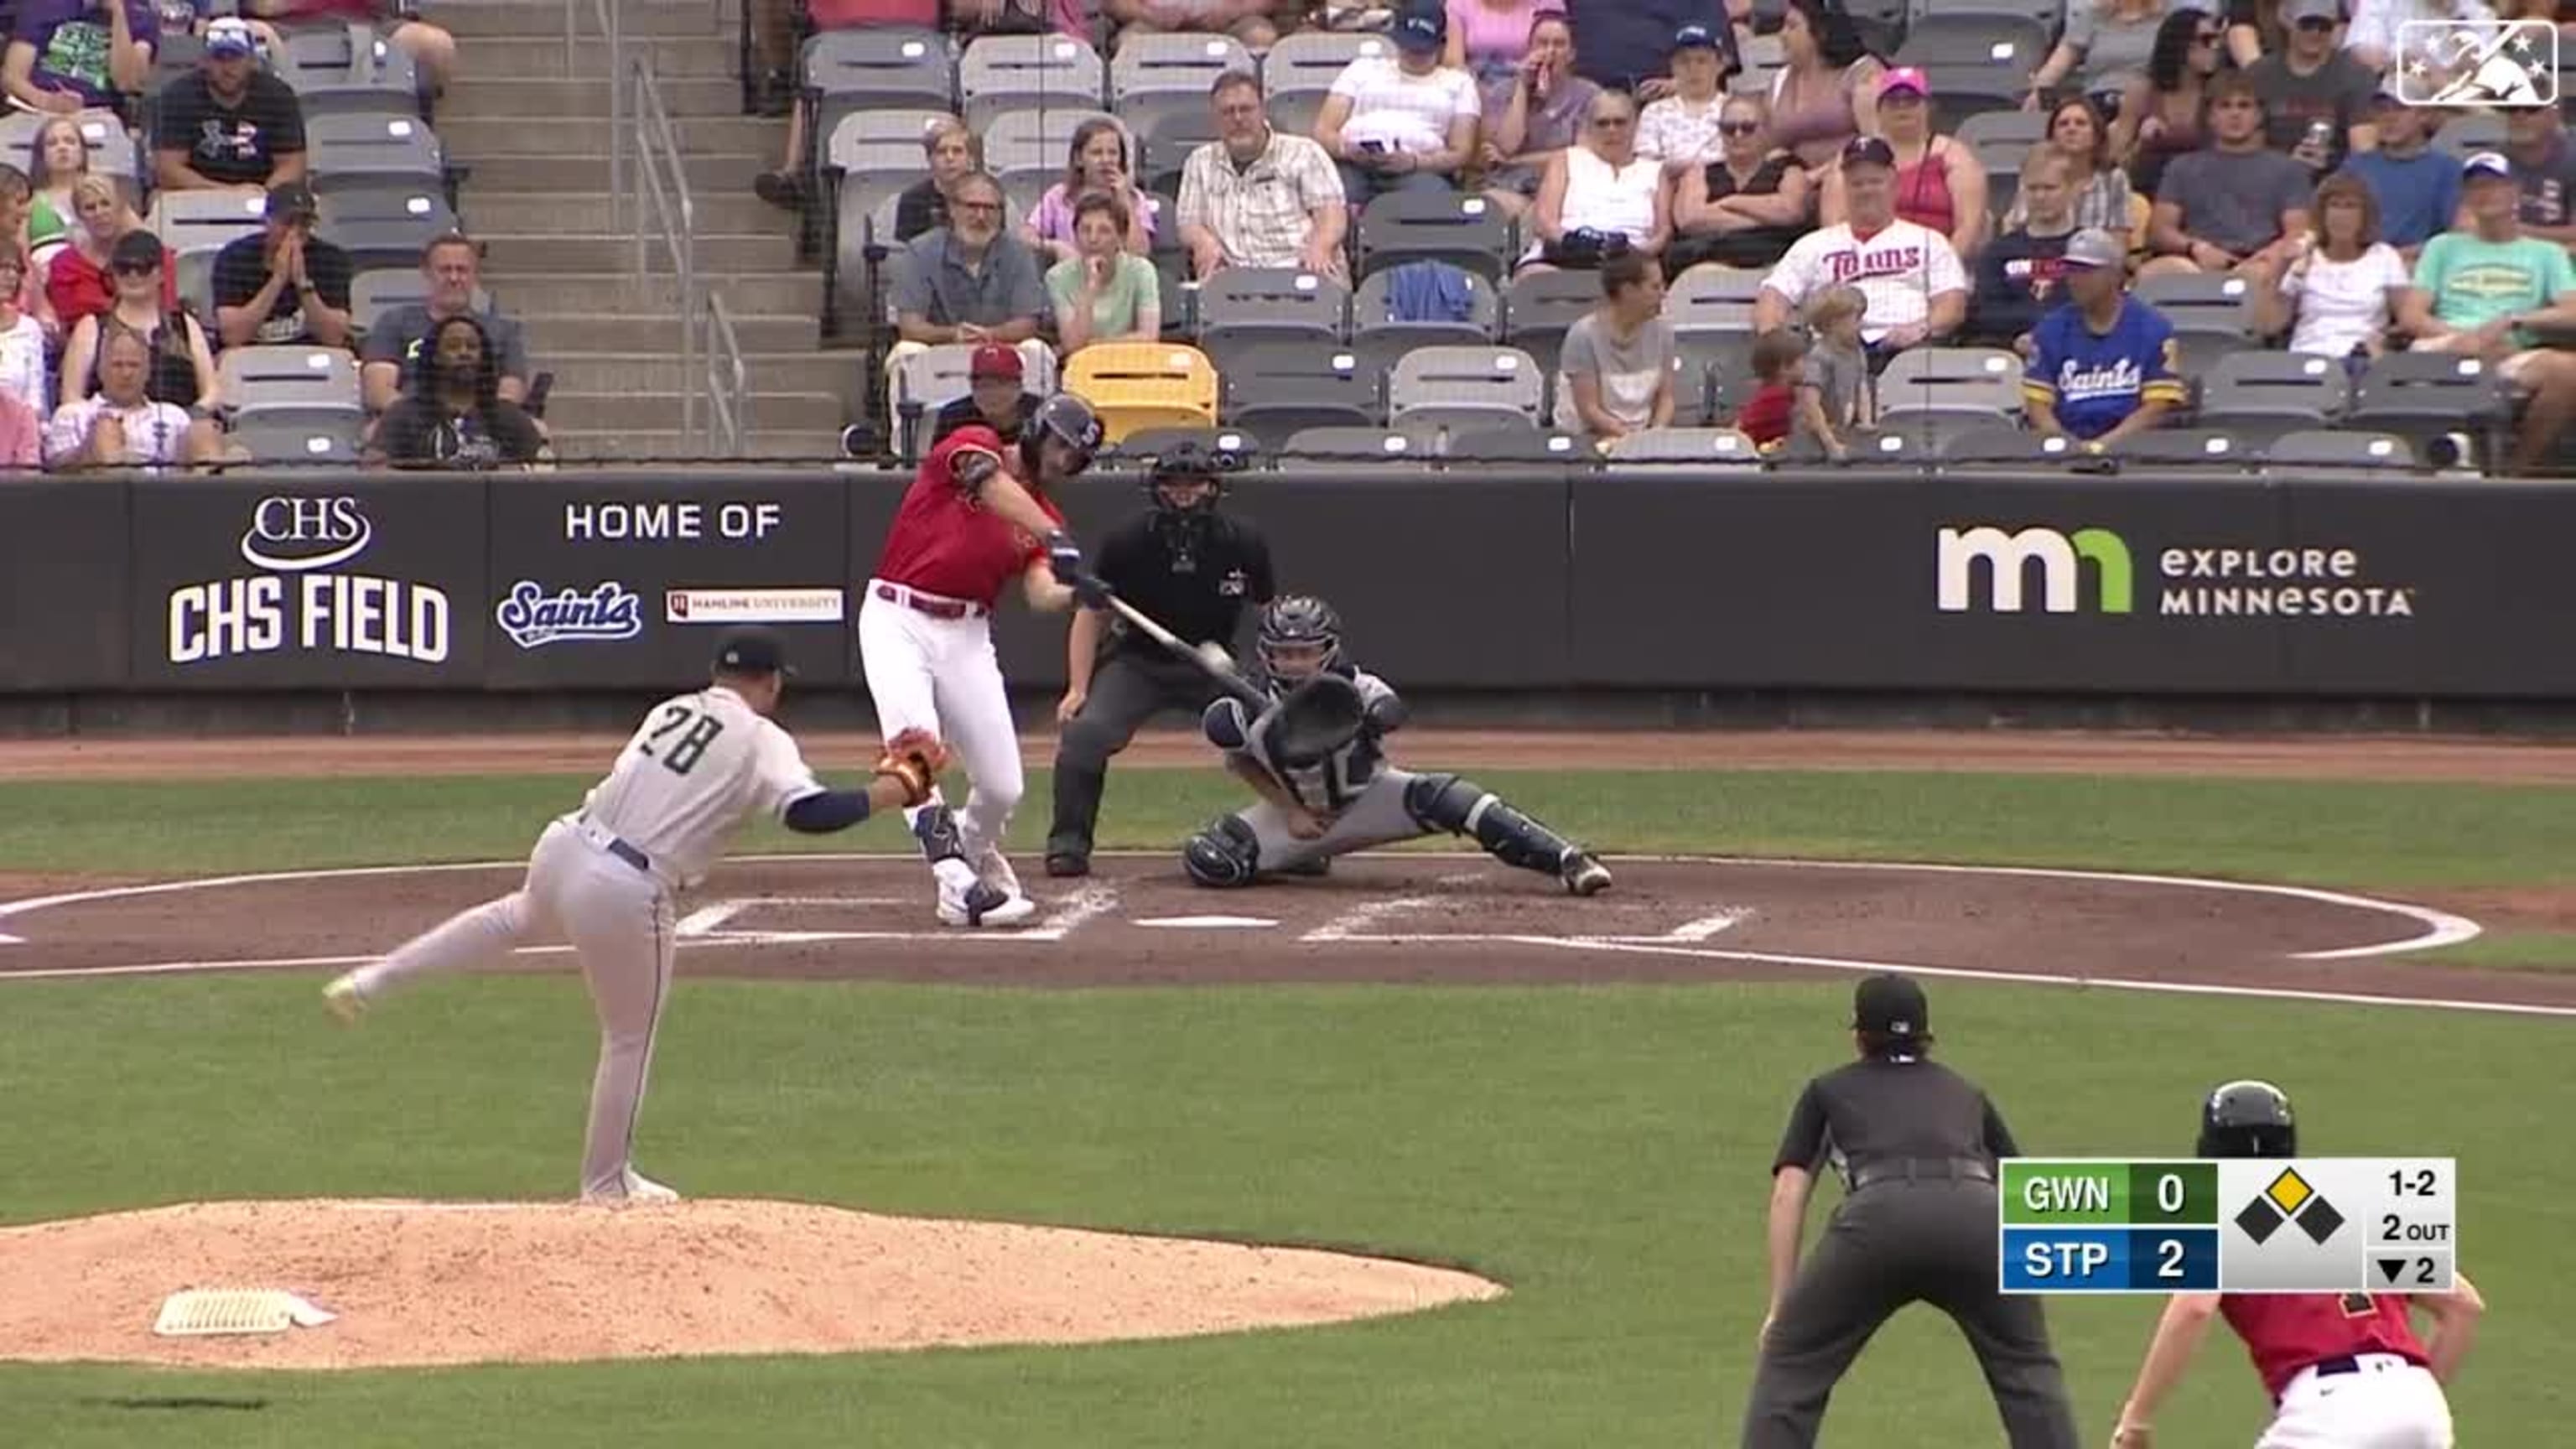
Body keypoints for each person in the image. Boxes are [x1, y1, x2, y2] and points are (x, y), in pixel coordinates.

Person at [319, 629, 948, 1205]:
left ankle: (370, 981)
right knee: (628, 1038)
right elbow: (808, 814)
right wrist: (896, 789)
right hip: (625, 886)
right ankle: (606, 1183)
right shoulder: (763, 739)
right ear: (772, 683)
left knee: (509, 919)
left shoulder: (670, 709)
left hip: (565, 844)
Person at [1737, 973, 2081, 1449]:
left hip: (1877, 1225)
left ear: (1858, 1035)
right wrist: (2025, 1299)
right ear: (1926, 1036)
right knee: (2028, 1371)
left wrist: (1781, 1305)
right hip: (1980, 1222)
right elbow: (2025, 1189)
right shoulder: (1966, 1092)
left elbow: (1788, 1193)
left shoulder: (1827, 1091)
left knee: (1791, 1361)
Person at [2107, 1080, 2485, 1449]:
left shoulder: (2229, 1215)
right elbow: (2464, 1305)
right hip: (2420, 1404)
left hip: (2330, 1410)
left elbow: (2194, 1307)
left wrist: (2136, 1418)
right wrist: (2404, 1404)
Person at [860, 392, 1109, 927]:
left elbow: (1040, 590)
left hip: (968, 634)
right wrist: (1054, 536)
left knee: (1002, 787)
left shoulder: (1046, 517)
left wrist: (1080, 594)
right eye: (1062, 446)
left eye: (1075, 457)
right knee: (914, 753)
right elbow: (987, 481)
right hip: (896, 617)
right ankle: (957, 884)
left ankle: (968, 856)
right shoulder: (973, 443)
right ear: (1039, 432)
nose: (1064, 461)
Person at [1181, 595, 1614, 894]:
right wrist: (1291, 810)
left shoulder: (1354, 686)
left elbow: (1391, 711)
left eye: (1306, 652)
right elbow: (1241, 762)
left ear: (1327, 652)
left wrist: (1350, 716)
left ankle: (1568, 861)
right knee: (1212, 861)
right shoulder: (1247, 708)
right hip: (1299, 815)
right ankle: (1304, 857)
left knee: (1457, 798)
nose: (1296, 662)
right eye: (1286, 653)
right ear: (1268, 654)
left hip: (1369, 797)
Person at [1046, 443, 1277, 877]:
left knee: (1270, 729)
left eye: (1195, 484)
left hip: (1213, 665)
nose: (1185, 493)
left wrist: (1269, 676)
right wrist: (1077, 688)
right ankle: (1068, 844)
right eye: (1174, 484)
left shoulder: (1244, 541)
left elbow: (1268, 613)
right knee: (1086, 736)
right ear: (1158, 489)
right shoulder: (1127, 540)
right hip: (1138, 661)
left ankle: (1296, 840)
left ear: (1214, 487)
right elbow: (1091, 612)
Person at [2398, 151, 2576, 474]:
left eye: (2494, 186)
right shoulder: (2442, 246)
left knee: (2568, 371)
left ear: (2515, 192)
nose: (2485, 194)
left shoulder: (2546, 253)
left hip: (2510, 352)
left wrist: (2514, 320)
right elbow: (2412, 316)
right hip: (2444, 345)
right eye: (2476, 187)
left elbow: (2572, 311)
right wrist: (2462, 338)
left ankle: (2513, 471)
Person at [1753, 136, 1968, 358]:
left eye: (1875, 182)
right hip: (1830, 354)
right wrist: (1777, 343)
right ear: (1845, 186)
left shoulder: (1928, 241)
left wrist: (1921, 328)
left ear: (1894, 183)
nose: (1866, 191)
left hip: (1907, 349)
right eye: (1857, 183)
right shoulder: (1814, 245)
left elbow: (1951, 306)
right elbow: (1773, 296)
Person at [885, 170, 1053, 426]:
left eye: (991, 209)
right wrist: (953, 334)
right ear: (952, 209)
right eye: (972, 207)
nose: (981, 216)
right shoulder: (920, 251)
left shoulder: (1019, 254)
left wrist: (989, 335)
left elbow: (1027, 323)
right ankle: (907, 454)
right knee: (905, 353)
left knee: (1038, 351)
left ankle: (1036, 440)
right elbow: (909, 326)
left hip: (1001, 349)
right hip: (942, 349)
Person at [57, 231, 218, 459]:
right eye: (124, 268)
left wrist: (183, 419)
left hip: (176, 435)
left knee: (205, 434)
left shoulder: (183, 325)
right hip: (110, 430)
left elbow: (211, 390)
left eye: (143, 268)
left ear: (161, 274)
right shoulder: (93, 327)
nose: (133, 275)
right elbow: (72, 396)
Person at [2023, 226, 2186, 448]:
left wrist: (2103, 445)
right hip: (2064, 453)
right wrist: (2065, 446)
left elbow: (2157, 406)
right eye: (2071, 269)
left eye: (2086, 270)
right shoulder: (2051, 328)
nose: (2075, 279)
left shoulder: (2152, 327)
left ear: (2114, 274)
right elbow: (2038, 404)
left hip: (2134, 451)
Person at [2142, 72, 2314, 278]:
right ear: (2210, 117)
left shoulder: (2289, 169)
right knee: (2153, 274)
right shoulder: (2182, 167)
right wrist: (2197, 248)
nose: (2235, 114)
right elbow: (2160, 230)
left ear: (2259, 115)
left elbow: (2297, 232)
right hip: (2197, 261)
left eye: (2244, 106)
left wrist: (2268, 256)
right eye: (2225, 106)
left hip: (2263, 262)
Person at [1181, 70, 1349, 279]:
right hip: (1232, 276)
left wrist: (1320, 246)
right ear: (1215, 118)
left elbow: (1331, 214)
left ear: (1262, 110)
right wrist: (1204, 243)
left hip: (1299, 268)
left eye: (1246, 109)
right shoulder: (1199, 162)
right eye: (1227, 112)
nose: (1238, 119)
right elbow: (1188, 222)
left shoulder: (1305, 152)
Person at [1313, 0, 1482, 209]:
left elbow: (1461, 152)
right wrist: (1346, 149)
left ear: (1440, 44)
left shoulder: (1459, 83)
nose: (1414, 55)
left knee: (1433, 199)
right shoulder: (1363, 69)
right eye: (1409, 47)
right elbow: (1323, 130)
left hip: (1419, 171)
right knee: (1330, 195)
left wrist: (1416, 162)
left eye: (1422, 49)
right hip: (1352, 163)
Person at [1820, 67, 1989, 264]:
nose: (1902, 107)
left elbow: (1969, 227)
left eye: (1911, 101)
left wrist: (1942, 270)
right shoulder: (1853, 156)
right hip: (1866, 264)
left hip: (1937, 264)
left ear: (1928, 108)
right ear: (1879, 110)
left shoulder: (1954, 155)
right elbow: (1834, 223)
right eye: (1893, 102)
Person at [360, 231, 532, 414]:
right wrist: (419, 419)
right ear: (427, 273)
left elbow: (512, 390)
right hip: (411, 425)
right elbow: (378, 390)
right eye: (445, 270)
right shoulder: (395, 323)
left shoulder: (502, 331)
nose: (454, 278)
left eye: (462, 270)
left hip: (484, 425)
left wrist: (473, 422)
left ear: (475, 275)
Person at [2254, 173, 2407, 364]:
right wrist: (2280, 268)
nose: (2341, 215)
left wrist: (2382, 341)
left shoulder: (2384, 256)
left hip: (2362, 357)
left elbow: (2405, 321)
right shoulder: (2304, 254)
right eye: (2334, 205)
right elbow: (2269, 325)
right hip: (2308, 357)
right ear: (2322, 213)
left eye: (2351, 206)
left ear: (2365, 215)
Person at [367, 313, 549, 469]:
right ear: (435, 357)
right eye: (453, 346)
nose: (464, 353)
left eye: (472, 347)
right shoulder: (403, 415)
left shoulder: (508, 417)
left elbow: (541, 468)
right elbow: (376, 469)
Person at [151, 17, 307, 195]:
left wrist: (264, 195)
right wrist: (229, 194)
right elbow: (168, 170)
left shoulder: (278, 96)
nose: (228, 68)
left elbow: (292, 165)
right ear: (205, 61)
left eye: (236, 57)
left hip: (263, 194)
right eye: (219, 58)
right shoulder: (176, 97)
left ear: (251, 60)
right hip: (196, 195)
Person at [1519, 88, 1669, 273]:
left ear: (1635, 125)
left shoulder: (1654, 169)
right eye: (1602, 123)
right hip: (1566, 254)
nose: (1612, 130)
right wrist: (1576, 244)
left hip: (1632, 261)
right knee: (1535, 277)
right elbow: (1545, 221)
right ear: (1589, 127)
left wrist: (1635, 253)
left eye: (1620, 122)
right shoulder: (1567, 159)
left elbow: (1662, 233)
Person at [1477, 11, 1602, 220]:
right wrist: (1522, 88)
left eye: (1559, 44)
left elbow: (1578, 155)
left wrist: (1514, 161)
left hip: (1564, 186)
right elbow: (1506, 145)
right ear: (1529, 48)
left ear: (1571, 54)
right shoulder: (1502, 91)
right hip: (1510, 187)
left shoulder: (1589, 95)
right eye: (1542, 43)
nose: (1549, 51)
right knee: (1491, 204)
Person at [1667, 95, 1811, 273]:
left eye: (1748, 128)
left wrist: (1731, 202)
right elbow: (1691, 219)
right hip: (1708, 262)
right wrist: (1766, 217)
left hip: (1773, 262)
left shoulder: (1789, 169)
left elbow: (1791, 211)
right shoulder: (1700, 172)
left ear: (1766, 131)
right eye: (1729, 128)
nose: (1738, 135)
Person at [210, 179, 353, 352]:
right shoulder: (234, 257)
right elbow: (233, 336)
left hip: (311, 354)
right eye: (287, 222)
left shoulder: (331, 259)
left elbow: (334, 338)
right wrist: (277, 280)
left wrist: (302, 283)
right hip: (249, 354)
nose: (295, 232)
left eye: (304, 224)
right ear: (267, 220)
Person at [2246, 0, 2380, 177]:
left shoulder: (2356, 76)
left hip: (2335, 182)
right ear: (2287, 22)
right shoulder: (2259, 75)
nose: (2315, 32)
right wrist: (2285, 165)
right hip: (2270, 180)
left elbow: (2364, 152)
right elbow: (2246, 142)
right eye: (2307, 24)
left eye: (2324, 26)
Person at [1553, 250, 1676, 440]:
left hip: (1643, 438)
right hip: (1590, 438)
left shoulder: (1664, 333)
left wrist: (1655, 435)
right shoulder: (1583, 336)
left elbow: (1666, 398)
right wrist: (1629, 440)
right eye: (1655, 287)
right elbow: (1589, 409)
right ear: (1628, 291)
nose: (1663, 294)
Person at [44, 323, 203, 470]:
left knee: (203, 431)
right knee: (106, 432)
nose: (126, 374)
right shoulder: (72, 415)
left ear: (148, 371)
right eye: (117, 365)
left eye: (133, 365)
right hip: (97, 495)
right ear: (101, 369)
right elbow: (56, 471)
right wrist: (91, 448)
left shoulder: (174, 416)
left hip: (166, 495)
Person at [1973, 147, 2084, 351]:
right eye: (2032, 189)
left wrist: (2045, 333)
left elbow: (2096, 308)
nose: (2040, 196)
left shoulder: (2089, 249)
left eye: (2050, 188)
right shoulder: (1999, 251)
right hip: (2008, 350)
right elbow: (1986, 312)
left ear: (2073, 189)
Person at [2112, 10, 2222, 202]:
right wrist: (2141, 143)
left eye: (2218, 40)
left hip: (2208, 191)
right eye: (2207, 40)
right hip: (2150, 189)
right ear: (2180, 44)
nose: (2215, 47)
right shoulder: (2142, 91)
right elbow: (2115, 162)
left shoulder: (2219, 90)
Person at [2339, 85, 2458, 261]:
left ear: (2424, 116)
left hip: (2417, 265)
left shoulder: (2447, 170)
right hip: (2357, 263)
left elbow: (2456, 236)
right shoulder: (2355, 167)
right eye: (2382, 110)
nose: (2389, 118)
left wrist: (2393, 258)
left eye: (2401, 109)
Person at [1021, 118, 1161, 268]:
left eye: (1113, 153)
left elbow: (1139, 254)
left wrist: (1125, 199)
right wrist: (1055, 246)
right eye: (1097, 153)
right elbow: (1026, 237)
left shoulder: (1135, 199)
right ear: (1079, 159)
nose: (1106, 160)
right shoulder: (1058, 197)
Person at [1764, 0, 1884, 172]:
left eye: (1792, 27)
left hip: (1849, 175)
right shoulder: (1779, 81)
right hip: (1793, 183)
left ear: (1820, 33)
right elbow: (1770, 147)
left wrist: (1818, 175)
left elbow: (1874, 144)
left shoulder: (1862, 73)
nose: (1782, 34)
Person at [1046, 191, 1162, 355]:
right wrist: (1091, 287)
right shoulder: (1057, 277)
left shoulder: (1142, 271)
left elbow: (1149, 337)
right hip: (1083, 368)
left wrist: (1094, 345)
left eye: (1104, 231)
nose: (1093, 239)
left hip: (1132, 362)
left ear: (1121, 238)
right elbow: (1072, 345)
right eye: (1086, 230)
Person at [4, 0, 156, 120]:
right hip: (37, 111)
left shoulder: (139, 13)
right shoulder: (42, 4)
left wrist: (118, 13)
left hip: (99, 113)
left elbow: (126, 82)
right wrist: (45, 100)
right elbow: (11, 77)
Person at [2004, 97, 2130, 237]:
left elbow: (2119, 242)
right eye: (2063, 124)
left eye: (2081, 123)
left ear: (2096, 136)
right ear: (2052, 136)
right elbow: (2015, 230)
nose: (2071, 129)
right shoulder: (2033, 173)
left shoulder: (2114, 179)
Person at [2028, 0, 2168, 111]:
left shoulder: (2167, 18)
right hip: (2098, 102)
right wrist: (2039, 89)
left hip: (2145, 103)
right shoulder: (2093, 15)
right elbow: (2059, 63)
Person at [1635, 23, 1731, 172]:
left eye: (1702, 61)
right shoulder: (1654, 112)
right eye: (1684, 61)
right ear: (1672, 67)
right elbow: (1645, 165)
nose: (1693, 69)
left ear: (1720, 66)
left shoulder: (1734, 109)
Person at [1792, 283, 1871, 459]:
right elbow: (1811, 404)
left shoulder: (1857, 351)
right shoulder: (1819, 357)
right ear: (1834, 323)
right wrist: (1830, 443)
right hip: (1814, 438)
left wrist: (1866, 424)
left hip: (1843, 430)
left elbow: (1862, 387)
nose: (1862, 324)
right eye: (1856, 319)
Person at [930, 340, 1041, 449]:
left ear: (1019, 385)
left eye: (1001, 384)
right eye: (983, 385)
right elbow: (937, 464)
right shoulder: (952, 416)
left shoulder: (1040, 412)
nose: (992, 393)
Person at [2496, 101, 2576, 249]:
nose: (2520, 116)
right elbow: (2464, 223)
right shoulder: (2492, 161)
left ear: (2554, 116)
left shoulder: (2572, 159)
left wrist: (2518, 231)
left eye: (2531, 109)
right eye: (2512, 109)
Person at [0, 241, 49, 418]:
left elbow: (35, 398)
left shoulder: (29, 329)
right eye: (2, 267)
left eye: (17, 270)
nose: (11, 276)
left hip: (19, 434)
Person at [1736, 329, 1801, 448]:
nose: (1807, 365)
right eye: (1801, 360)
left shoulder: (1768, 394)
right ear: (1784, 367)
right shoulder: (1778, 397)